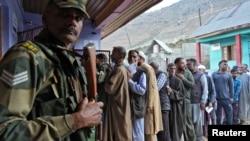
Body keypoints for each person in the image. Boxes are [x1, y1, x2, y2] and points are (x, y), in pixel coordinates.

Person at [0, 0, 104, 140]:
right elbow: (5, 131)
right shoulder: (27, 57)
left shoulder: (70, 60)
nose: (72, 22)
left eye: (78, 18)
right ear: (45, 18)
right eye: (64, 14)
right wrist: (76, 121)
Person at [103, 46, 132, 141]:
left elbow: (110, 88)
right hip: (117, 105)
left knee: (119, 132)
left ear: (120, 55)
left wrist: (106, 77)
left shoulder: (119, 70)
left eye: (114, 53)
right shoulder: (120, 69)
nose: (111, 55)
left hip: (118, 107)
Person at [138, 51, 163, 141]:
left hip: (149, 105)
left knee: (150, 129)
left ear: (140, 58)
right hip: (144, 103)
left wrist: (149, 104)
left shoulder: (146, 68)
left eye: (134, 57)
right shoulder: (141, 67)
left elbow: (151, 88)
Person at [186, 59, 208, 141]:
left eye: (189, 64)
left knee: (198, 122)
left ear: (194, 65)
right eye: (187, 64)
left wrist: (203, 101)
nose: (187, 66)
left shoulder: (200, 75)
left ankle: (198, 138)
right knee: (189, 122)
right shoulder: (186, 74)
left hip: (197, 102)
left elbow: (205, 89)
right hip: (188, 102)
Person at [174, 57, 195, 141]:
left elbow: (192, 85)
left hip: (185, 100)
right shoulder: (173, 73)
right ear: (177, 64)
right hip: (175, 101)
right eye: (182, 63)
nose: (184, 65)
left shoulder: (188, 73)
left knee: (188, 122)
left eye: (184, 63)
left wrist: (183, 79)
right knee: (177, 122)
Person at [127, 50, 147, 141]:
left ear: (138, 59)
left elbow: (142, 90)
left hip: (137, 106)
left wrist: (130, 81)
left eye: (134, 57)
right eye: (130, 56)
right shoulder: (125, 71)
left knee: (138, 133)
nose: (132, 58)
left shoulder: (141, 73)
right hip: (127, 106)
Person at [149, 61, 171, 141]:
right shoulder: (153, 75)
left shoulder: (162, 75)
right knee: (159, 129)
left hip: (163, 106)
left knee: (164, 130)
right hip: (158, 106)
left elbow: (156, 88)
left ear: (154, 68)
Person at [167, 63, 185, 141]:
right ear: (167, 69)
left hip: (175, 107)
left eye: (174, 68)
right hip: (166, 105)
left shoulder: (178, 80)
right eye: (171, 68)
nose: (173, 70)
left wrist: (172, 92)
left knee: (175, 126)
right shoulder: (165, 79)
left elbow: (181, 95)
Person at [212, 60, 234, 125]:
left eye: (226, 64)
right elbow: (212, 87)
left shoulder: (229, 75)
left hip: (227, 99)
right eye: (224, 64)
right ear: (220, 65)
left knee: (229, 116)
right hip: (216, 100)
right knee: (218, 117)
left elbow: (231, 87)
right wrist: (213, 97)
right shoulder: (214, 74)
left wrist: (231, 97)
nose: (226, 65)